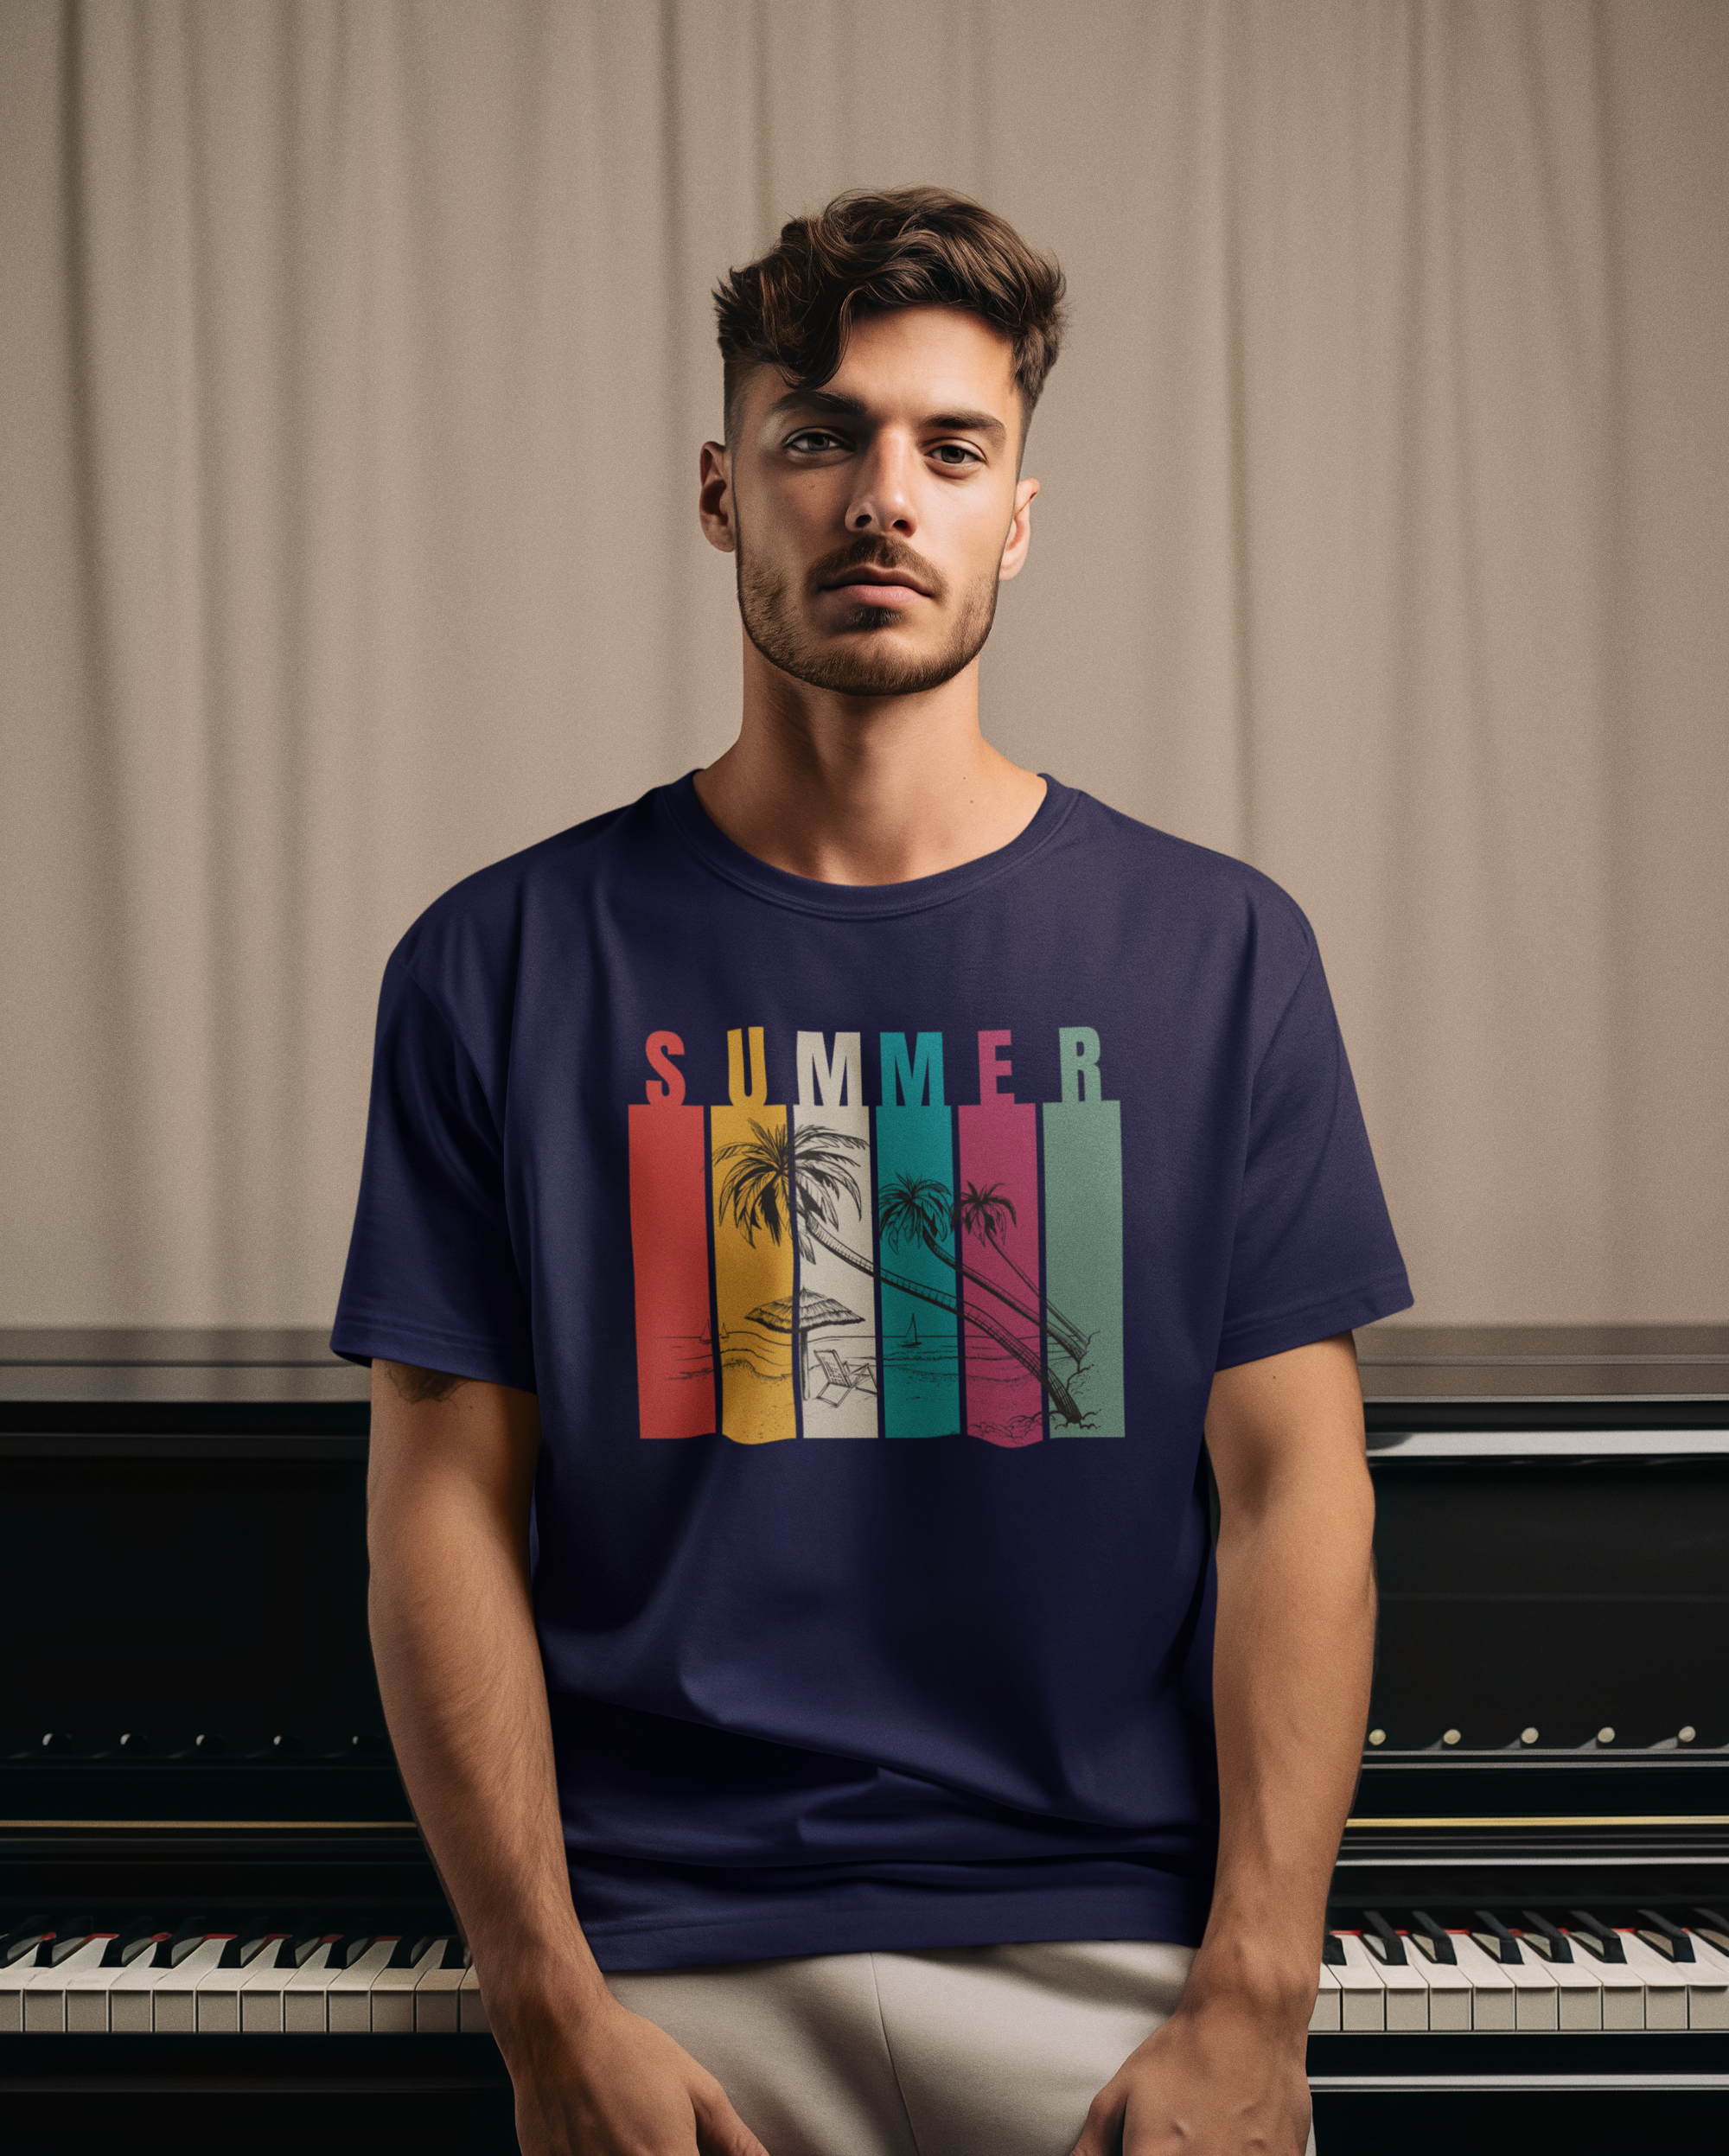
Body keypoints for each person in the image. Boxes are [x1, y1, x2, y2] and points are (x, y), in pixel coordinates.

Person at [334, 187, 1410, 2156]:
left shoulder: (1221, 952)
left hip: (1114, 1959)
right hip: (661, 1961)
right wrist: (546, 2007)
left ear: (1020, 515)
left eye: (952, 448)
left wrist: (1256, 1998)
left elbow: (1295, 1494)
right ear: (723, 490)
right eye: (820, 435)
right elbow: (440, 1508)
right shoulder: (495, 963)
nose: (883, 499)